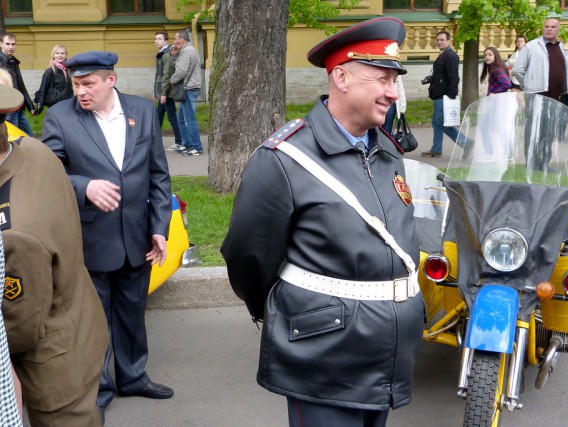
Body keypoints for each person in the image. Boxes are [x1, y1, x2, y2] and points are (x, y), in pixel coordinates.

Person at [221, 17, 425, 427]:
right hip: (323, 355)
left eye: (395, 80)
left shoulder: (387, 150)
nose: (392, 91)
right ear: (342, 77)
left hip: (385, 353)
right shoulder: (283, 158)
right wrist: (294, 312)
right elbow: (248, 257)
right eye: (381, 78)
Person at [40, 51, 173, 421]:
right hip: (89, 237)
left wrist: (159, 229)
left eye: (88, 84)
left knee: (132, 312)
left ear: (110, 80)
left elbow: (158, 176)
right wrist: (84, 187)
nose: (80, 92)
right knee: (93, 318)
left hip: (138, 236)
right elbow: (49, 173)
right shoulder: (60, 117)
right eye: (76, 85)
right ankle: (98, 387)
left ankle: (133, 377)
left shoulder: (143, 112)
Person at [0, 83, 109, 426]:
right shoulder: (33, 151)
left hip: (49, 369)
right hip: (80, 329)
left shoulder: (12, 231)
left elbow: (18, 329)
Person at [422, 30, 468, 158]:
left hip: (444, 96)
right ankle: (437, 149)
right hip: (439, 95)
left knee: (440, 123)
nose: (439, 42)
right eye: (437, 40)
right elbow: (443, 75)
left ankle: (464, 143)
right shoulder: (443, 55)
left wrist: (451, 95)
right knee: (440, 123)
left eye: (442, 40)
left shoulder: (450, 55)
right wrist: (432, 78)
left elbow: (454, 77)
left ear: (448, 41)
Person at [512, 18, 567, 99]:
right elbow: (517, 70)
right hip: (537, 94)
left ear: (558, 30)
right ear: (542, 29)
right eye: (546, 26)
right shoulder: (530, 46)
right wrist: (528, 84)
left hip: (556, 94)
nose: (549, 29)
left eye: (553, 27)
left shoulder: (560, 46)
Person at [170, 30, 203, 156]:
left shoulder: (186, 51)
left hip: (189, 88)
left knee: (190, 119)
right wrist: (174, 55)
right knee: (181, 118)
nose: (174, 41)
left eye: (176, 38)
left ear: (182, 40)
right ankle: (187, 144)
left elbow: (181, 71)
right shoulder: (187, 50)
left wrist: (171, 80)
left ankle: (197, 147)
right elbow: (181, 67)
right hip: (190, 87)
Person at [0, 33, 35, 136]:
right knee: (11, 138)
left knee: (28, 137)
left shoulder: (13, 61)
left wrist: (30, 106)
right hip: (8, 107)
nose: (11, 47)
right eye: (7, 44)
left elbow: (20, 85)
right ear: (1, 44)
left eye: (13, 44)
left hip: (18, 106)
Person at [154, 31, 183, 151]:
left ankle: (179, 142)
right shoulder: (162, 53)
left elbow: (167, 75)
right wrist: (156, 91)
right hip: (163, 91)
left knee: (171, 117)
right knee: (158, 117)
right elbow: (158, 75)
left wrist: (163, 94)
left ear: (166, 41)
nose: (156, 41)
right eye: (155, 39)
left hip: (167, 92)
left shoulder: (166, 54)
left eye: (159, 39)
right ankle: (154, 142)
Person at [33, 44, 74, 114]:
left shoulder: (68, 70)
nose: (60, 55)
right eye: (57, 53)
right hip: (55, 106)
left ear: (66, 55)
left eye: (62, 53)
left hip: (68, 105)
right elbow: (43, 89)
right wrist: (40, 106)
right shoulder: (50, 71)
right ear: (53, 55)